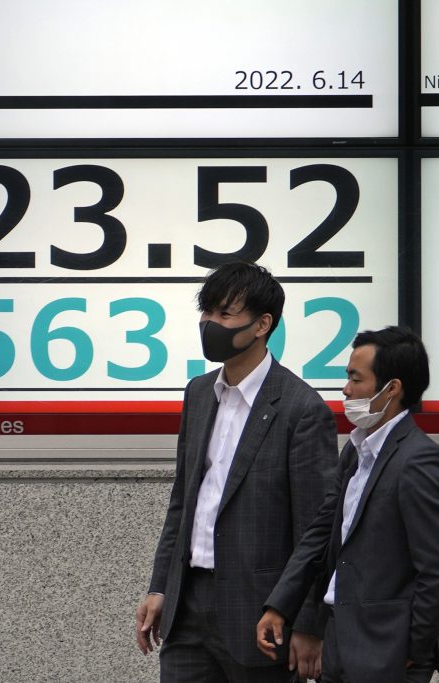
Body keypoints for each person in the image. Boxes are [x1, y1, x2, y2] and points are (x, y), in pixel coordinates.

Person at [136, 262, 338, 683]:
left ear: (263, 324)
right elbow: (183, 502)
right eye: (207, 313)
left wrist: (306, 622)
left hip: (261, 614)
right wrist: (160, 587)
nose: (211, 324)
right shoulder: (198, 393)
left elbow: (316, 530)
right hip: (187, 604)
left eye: (224, 314)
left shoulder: (301, 409)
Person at [257, 326, 439, 682]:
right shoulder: (356, 451)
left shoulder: (420, 460)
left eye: (356, 378)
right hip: (339, 645)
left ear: (392, 388)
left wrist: (411, 649)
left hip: (389, 654)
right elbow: (320, 533)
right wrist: (280, 605)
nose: (346, 389)